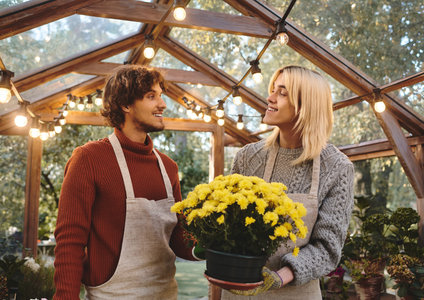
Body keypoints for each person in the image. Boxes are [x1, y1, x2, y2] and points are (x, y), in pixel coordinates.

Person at [53, 65, 194, 299]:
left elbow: (178, 239)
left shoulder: (169, 168)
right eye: (151, 96)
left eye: (161, 95)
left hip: (165, 294)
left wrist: (216, 241)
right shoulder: (89, 159)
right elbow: (69, 241)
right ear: (126, 104)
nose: (163, 104)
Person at [223, 66, 354, 299]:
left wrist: (280, 276)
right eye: (273, 90)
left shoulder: (337, 167)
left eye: (282, 93)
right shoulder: (248, 157)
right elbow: (229, 227)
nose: (270, 98)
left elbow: (327, 248)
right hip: (241, 290)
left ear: (306, 105)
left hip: (296, 292)